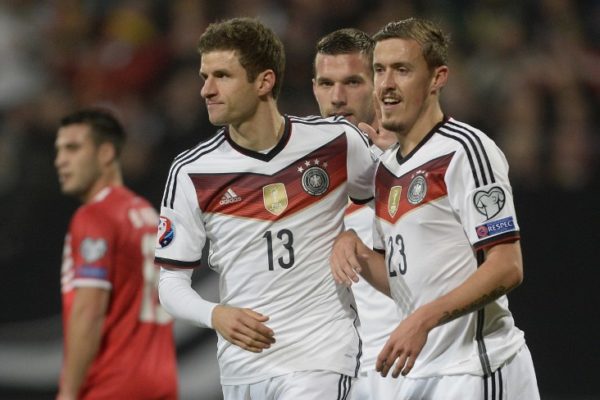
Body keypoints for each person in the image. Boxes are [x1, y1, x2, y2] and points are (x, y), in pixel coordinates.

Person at [155, 18, 377, 399]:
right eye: (204, 76)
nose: (207, 89)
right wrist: (215, 314)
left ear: (264, 81)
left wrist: (353, 234)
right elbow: (170, 283)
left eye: (222, 76)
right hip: (244, 367)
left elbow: (390, 205)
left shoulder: (337, 142)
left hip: (322, 358)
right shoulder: (192, 171)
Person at [330, 18, 540, 399]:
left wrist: (423, 320)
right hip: (423, 372)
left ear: (437, 78)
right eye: (379, 70)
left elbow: (507, 265)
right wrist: (356, 250)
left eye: (402, 70)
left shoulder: (466, 151)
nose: (386, 84)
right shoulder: (385, 170)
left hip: (478, 367)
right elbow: (404, 284)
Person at [55, 108, 178, 400]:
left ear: (106, 152)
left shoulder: (94, 217)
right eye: (58, 150)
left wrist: (69, 392)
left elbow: (90, 309)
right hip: (161, 381)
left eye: (72, 148)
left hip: (111, 384)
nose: (60, 161)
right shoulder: (148, 215)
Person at [312, 28, 403, 399]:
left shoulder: (418, 159)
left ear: (379, 82)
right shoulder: (297, 171)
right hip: (339, 374)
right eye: (326, 83)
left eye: (352, 81)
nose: (337, 98)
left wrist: (392, 164)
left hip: (412, 365)